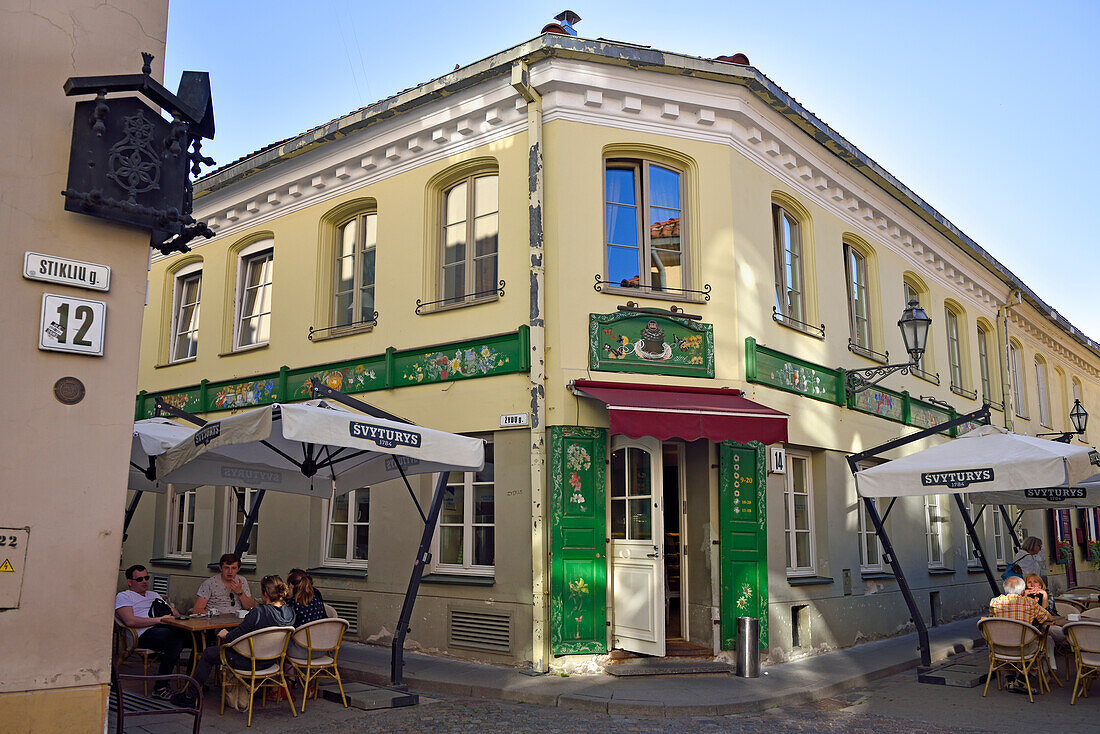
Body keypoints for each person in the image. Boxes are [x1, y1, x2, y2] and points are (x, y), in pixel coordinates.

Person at [171, 575, 295, 707]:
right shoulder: (290, 612)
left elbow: (234, 636)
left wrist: (225, 634)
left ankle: (189, 696)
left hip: (249, 660)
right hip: (272, 661)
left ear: (265, 594)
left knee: (208, 653)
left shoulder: (258, 613)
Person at [114, 564, 189, 699]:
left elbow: (176, 615)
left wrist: (169, 611)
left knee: (195, 637)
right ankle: (160, 687)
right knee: (173, 640)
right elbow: (130, 621)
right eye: (139, 579)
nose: (144, 581)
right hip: (141, 634)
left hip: (162, 629)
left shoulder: (153, 595)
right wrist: (159, 620)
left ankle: (192, 682)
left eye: (146, 578)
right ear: (129, 582)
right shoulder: (124, 596)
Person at [286, 569, 327, 662]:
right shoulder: (316, 600)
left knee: (279, 643)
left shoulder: (292, 604)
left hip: (302, 650)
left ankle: (290, 675)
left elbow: (285, 627)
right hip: (322, 648)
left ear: (291, 586)